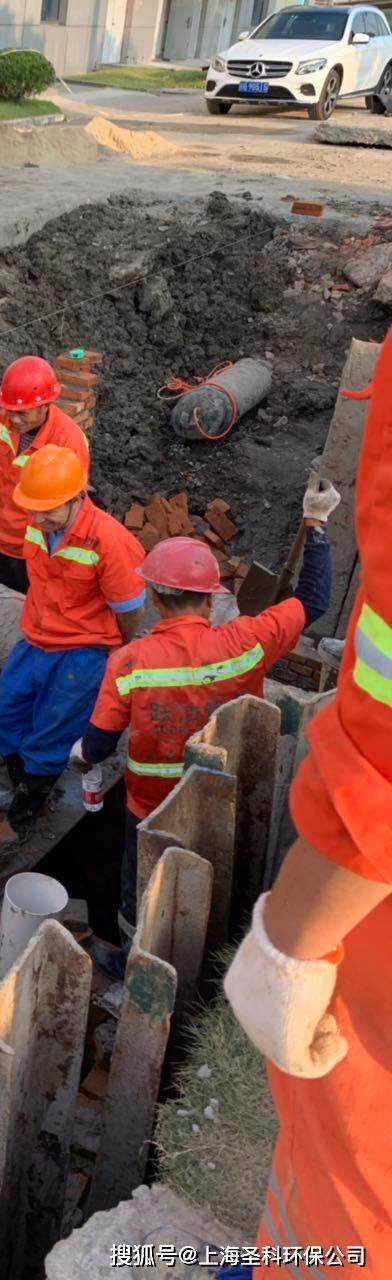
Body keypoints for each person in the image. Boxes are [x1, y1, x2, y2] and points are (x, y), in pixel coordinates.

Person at [221, 338, 392, 1278]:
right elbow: (306, 610)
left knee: (348, 1180)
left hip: (138, 795)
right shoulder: (249, 636)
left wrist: (289, 938)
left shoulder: (126, 669)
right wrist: (317, 537)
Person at [71, 473, 338, 974]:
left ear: (153, 597)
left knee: (140, 888)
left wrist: (83, 756)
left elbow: (101, 742)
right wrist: (317, 524)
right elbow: (316, 601)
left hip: (150, 805)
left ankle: (132, 958)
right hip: (222, 793)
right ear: (211, 598)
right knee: (210, 873)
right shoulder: (247, 642)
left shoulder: (131, 662)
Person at [0, 444, 146, 829]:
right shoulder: (38, 523)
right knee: (1, 719)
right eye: (33, 509)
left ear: (77, 497)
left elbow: (129, 610)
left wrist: (112, 649)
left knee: (50, 736)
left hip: (82, 651)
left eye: (49, 510)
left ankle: (25, 811)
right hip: (35, 640)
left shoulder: (109, 541)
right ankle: (23, 781)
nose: (40, 519)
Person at [0, 355, 90, 595]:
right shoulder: (7, 420)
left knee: (28, 610)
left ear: (45, 405)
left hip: (35, 549)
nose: (13, 418)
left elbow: (72, 505)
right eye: (9, 410)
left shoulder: (67, 441)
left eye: (23, 413)